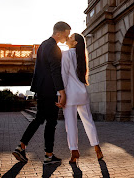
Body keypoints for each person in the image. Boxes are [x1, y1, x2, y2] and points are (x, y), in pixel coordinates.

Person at [12, 21, 70, 165]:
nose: (66, 38)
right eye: (65, 34)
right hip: (49, 90)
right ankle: (48, 156)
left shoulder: (43, 45)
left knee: (39, 119)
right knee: (51, 122)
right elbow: (55, 72)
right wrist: (62, 92)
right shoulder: (54, 48)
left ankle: (21, 146)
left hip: (41, 89)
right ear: (58, 32)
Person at [61, 33, 103, 163]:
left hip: (70, 95)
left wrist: (60, 95)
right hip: (82, 93)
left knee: (71, 124)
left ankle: (74, 152)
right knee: (88, 121)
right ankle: (97, 148)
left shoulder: (65, 55)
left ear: (75, 43)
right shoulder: (82, 58)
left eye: (71, 37)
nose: (68, 38)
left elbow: (64, 76)